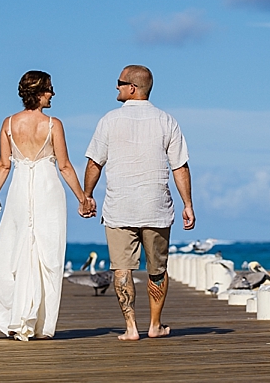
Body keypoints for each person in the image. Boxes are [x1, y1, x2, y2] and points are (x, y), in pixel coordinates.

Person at [0, 70, 95, 341]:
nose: (53, 94)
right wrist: (82, 198)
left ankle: (17, 317)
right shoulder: (53, 124)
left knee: (15, 249)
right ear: (40, 92)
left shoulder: (8, 124)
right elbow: (64, 165)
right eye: (50, 89)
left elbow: (3, 165)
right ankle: (40, 325)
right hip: (47, 190)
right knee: (47, 255)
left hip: (19, 189)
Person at [83, 65, 195, 341]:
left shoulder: (109, 120)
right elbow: (180, 167)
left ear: (132, 88)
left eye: (120, 83)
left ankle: (131, 327)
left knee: (122, 269)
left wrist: (88, 195)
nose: (116, 87)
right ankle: (155, 325)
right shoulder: (167, 120)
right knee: (157, 270)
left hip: (119, 206)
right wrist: (188, 204)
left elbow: (95, 162)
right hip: (156, 207)